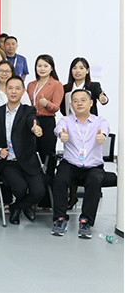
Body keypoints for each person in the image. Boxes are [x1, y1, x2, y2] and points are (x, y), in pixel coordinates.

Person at [0, 76, 45, 225]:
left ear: (23, 92)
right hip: (7, 162)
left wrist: (35, 128)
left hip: (27, 160)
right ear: (5, 90)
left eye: (18, 89)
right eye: (10, 88)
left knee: (39, 192)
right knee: (20, 188)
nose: (13, 91)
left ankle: (16, 207)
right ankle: (24, 206)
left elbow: (32, 121)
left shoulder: (28, 110)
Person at [51, 89, 110, 238]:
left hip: (93, 166)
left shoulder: (99, 121)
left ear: (91, 103)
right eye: (75, 101)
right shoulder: (66, 121)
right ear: (71, 105)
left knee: (94, 181)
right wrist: (62, 134)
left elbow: (105, 129)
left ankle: (86, 221)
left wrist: (102, 136)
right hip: (70, 163)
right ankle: (60, 219)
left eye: (83, 100)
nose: (79, 103)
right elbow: (58, 129)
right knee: (59, 179)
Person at [27, 55, 64, 185]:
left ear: (51, 68)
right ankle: (34, 187)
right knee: (32, 154)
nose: (42, 69)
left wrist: (46, 104)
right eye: (39, 66)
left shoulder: (57, 85)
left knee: (47, 155)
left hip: (47, 122)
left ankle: (48, 192)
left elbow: (56, 107)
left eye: (45, 66)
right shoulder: (31, 85)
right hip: (32, 121)